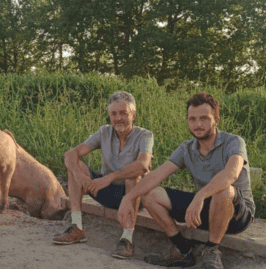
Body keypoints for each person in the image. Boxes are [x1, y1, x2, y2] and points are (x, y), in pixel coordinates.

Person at [117, 92, 255, 269]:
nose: (198, 124)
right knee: (150, 194)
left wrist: (200, 196)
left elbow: (231, 174)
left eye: (204, 118)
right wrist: (128, 198)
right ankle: (182, 250)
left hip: (236, 214)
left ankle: (212, 251)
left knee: (224, 189)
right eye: (193, 119)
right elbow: (156, 175)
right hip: (204, 209)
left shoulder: (234, 142)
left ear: (216, 120)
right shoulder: (186, 148)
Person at [53, 91, 154, 259]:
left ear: (133, 114)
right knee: (75, 165)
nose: (118, 118)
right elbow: (70, 154)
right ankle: (77, 227)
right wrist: (79, 176)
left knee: (133, 175)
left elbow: (143, 165)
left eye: (123, 113)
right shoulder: (105, 132)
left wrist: (108, 178)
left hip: (134, 196)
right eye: (114, 114)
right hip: (106, 191)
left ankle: (127, 239)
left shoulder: (145, 135)